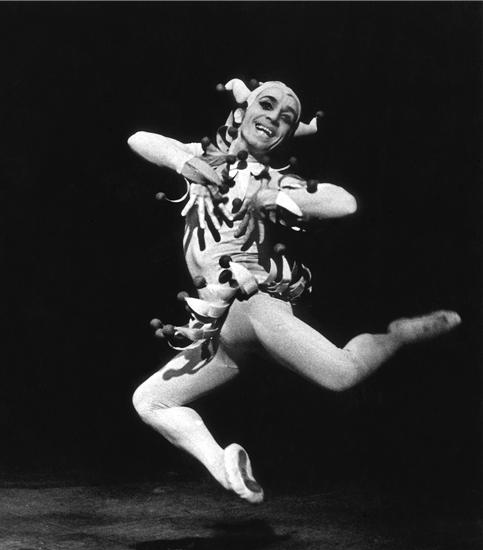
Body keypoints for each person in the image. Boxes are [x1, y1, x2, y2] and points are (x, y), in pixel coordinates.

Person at [128, 78, 460, 504]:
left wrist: (275, 196)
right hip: (218, 330)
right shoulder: (203, 158)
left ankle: (398, 335)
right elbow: (140, 139)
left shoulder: (275, 179)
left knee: (342, 375)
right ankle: (225, 465)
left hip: (253, 306)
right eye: (266, 105)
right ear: (243, 112)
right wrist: (185, 163)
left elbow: (345, 203)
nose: (274, 118)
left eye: (286, 117)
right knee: (150, 402)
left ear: (287, 134)